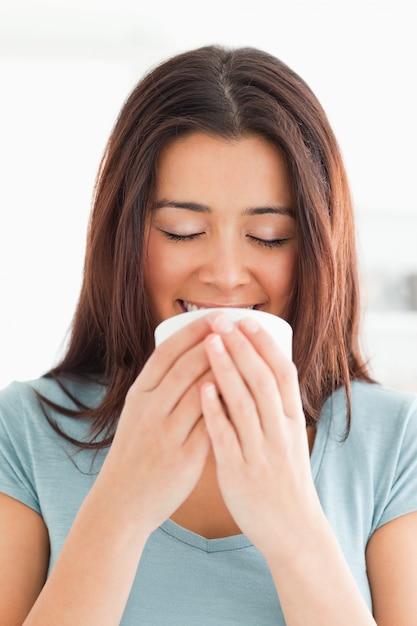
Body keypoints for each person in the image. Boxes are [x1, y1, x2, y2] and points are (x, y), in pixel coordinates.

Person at [0, 44, 416, 626]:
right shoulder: (24, 430)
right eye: (182, 230)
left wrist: (292, 526)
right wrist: (120, 508)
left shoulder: (394, 444)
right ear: (125, 239)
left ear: (318, 249)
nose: (224, 273)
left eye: (269, 236)